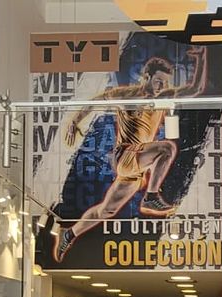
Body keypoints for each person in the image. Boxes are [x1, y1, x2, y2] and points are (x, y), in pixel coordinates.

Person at [52, 48, 208, 262]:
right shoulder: (127, 95)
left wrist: (202, 58)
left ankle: (69, 234)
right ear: (147, 77)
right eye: (158, 81)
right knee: (167, 148)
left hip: (136, 167)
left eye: (165, 83)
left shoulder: (164, 97)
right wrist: (74, 121)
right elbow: (97, 101)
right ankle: (151, 197)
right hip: (125, 155)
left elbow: (195, 89)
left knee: (105, 211)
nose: (162, 87)